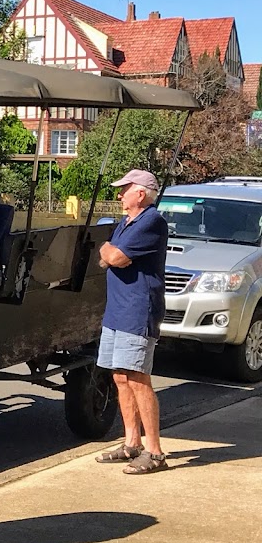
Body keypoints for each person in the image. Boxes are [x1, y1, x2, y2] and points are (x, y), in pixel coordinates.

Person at [94, 169, 169, 474]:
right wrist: (111, 252)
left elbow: (113, 257)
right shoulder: (126, 223)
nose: (119, 195)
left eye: (125, 189)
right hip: (117, 311)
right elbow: (108, 255)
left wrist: (110, 251)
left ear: (140, 193)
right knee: (120, 377)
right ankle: (131, 443)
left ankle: (155, 452)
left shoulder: (152, 221)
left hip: (138, 311)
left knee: (138, 378)